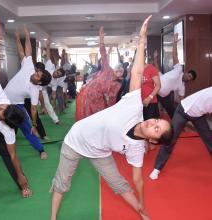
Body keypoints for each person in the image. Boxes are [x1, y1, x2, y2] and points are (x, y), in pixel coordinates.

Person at [50, 15, 173, 220]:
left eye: (157, 129)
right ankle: (52, 218)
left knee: (118, 184)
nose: (153, 122)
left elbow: (137, 179)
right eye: (158, 121)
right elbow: (136, 72)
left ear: (152, 140)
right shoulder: (134, 107)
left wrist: (142, 204)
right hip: (76, 139)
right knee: (63, 183)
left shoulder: (136, 148)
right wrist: (141, 41)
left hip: (100, 151)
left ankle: (143, 215)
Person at [0, 17, 31, 197]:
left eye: (0, 113)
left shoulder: (7, 130)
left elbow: (14, 156)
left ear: (6, 121)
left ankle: (22, 184)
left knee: (7, 156)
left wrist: (22, 177)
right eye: (1, 107)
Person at [4, 25, 51, 159]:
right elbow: (24, 52)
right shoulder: (29, 67)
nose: (35, 74)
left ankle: (41, 149)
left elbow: (34, 109)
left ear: (40, 83)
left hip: (17, 105)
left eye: (37, 76)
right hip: (3, 98)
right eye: (37, 72)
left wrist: (35, 124)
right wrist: (22, 37)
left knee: (27, 128)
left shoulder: (35, 91)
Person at [149, 86, 212, 180]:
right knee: (170, 138)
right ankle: (157, 168)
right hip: (183, 110)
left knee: (209, 138)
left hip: (198, 115)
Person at [154, 34, 197, 119]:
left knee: (172, 113)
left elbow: (182, 101)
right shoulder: (178, 69)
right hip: (153, 89)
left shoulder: (182, 87)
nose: (188, 78)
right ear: (186, 72)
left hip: (163, 96)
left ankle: (178, 124)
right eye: (189, 75)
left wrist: (189, 110)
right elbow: (174, 55)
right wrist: (175, 42)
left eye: (190, 78)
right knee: (152, 112)